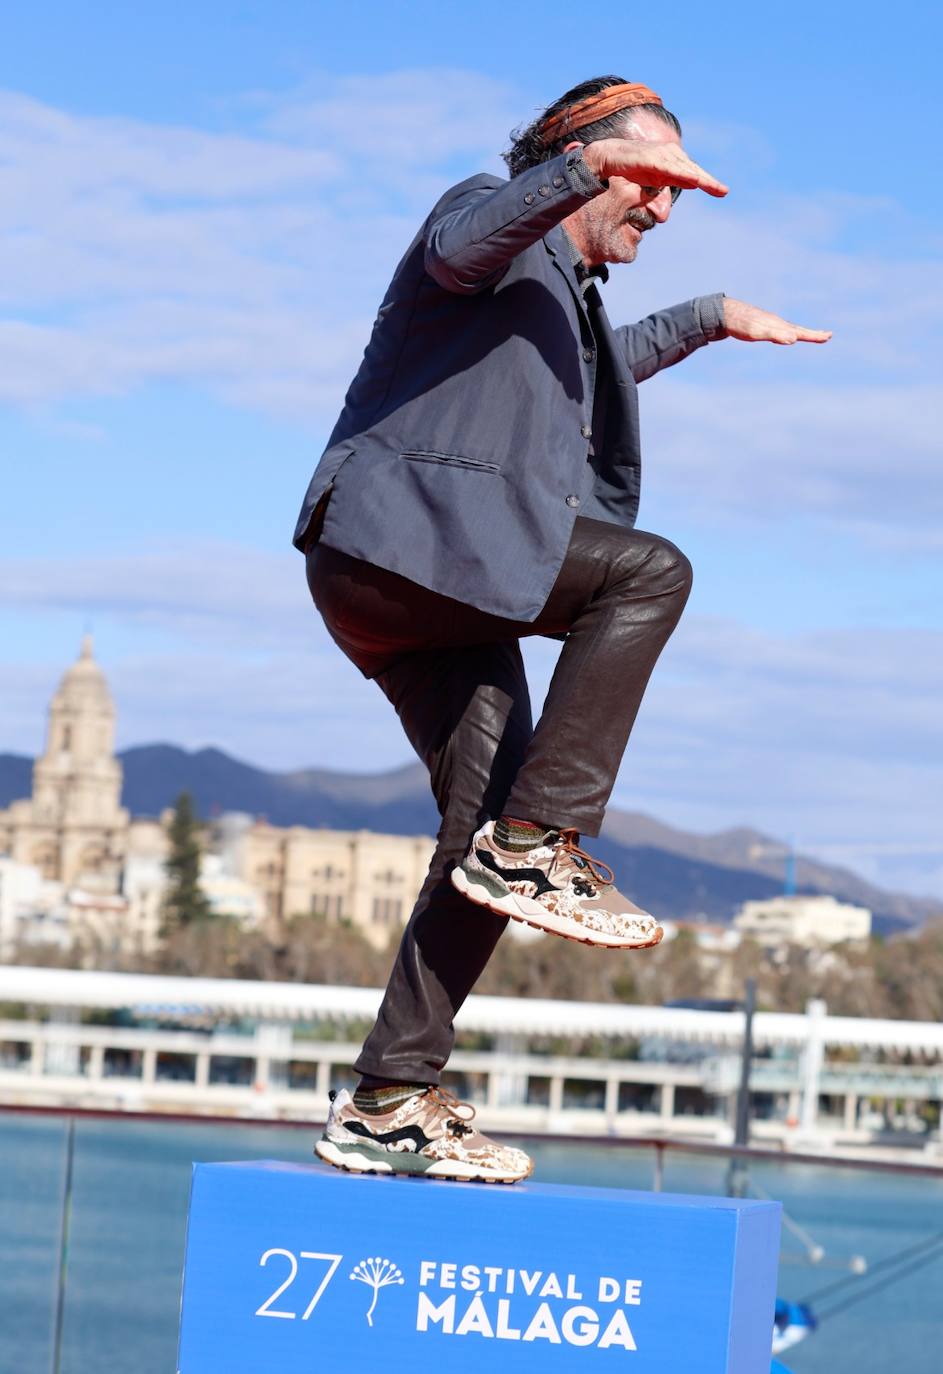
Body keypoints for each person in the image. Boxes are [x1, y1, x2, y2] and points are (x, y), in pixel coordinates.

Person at [296, 76, 831, 1183]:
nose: (661, 210)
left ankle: (391, 1094)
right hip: (404, 541)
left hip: (441, 583)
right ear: (574, 157)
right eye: (653, 181)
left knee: (476, 839)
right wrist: (587, 170)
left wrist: (705, 317)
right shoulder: (484, 215)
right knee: (646, 575)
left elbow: (590, 376)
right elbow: (460, 249)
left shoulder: (565, 296)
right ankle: (545, 845)